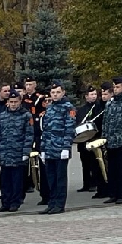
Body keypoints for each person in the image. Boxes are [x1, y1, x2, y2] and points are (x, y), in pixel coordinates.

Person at [37, 82, 77, 213]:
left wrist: (66, 147)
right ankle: (52, 203)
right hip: (49, 149)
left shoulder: (68, 108)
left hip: (61, 149)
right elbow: (45, 130)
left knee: (60, 179)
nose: (55, 95)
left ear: (63, 93)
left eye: (57, 92)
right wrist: (42, 149)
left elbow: (69, 129)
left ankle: (59, 204)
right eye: (53, 93)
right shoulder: (49, 108)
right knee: (51, 179)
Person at [0, 91, 34, 211]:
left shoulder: (26, 116)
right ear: (7, 103)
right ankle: (5, 202)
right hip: (5, 152)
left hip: (18, 153)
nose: (13, 104)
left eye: (16, 102)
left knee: (17, 181)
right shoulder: (2, 116)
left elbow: (29, 135)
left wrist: (26, 152)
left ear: (20, 102)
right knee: (5, 180)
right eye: (11, 102)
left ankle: (15, 202)